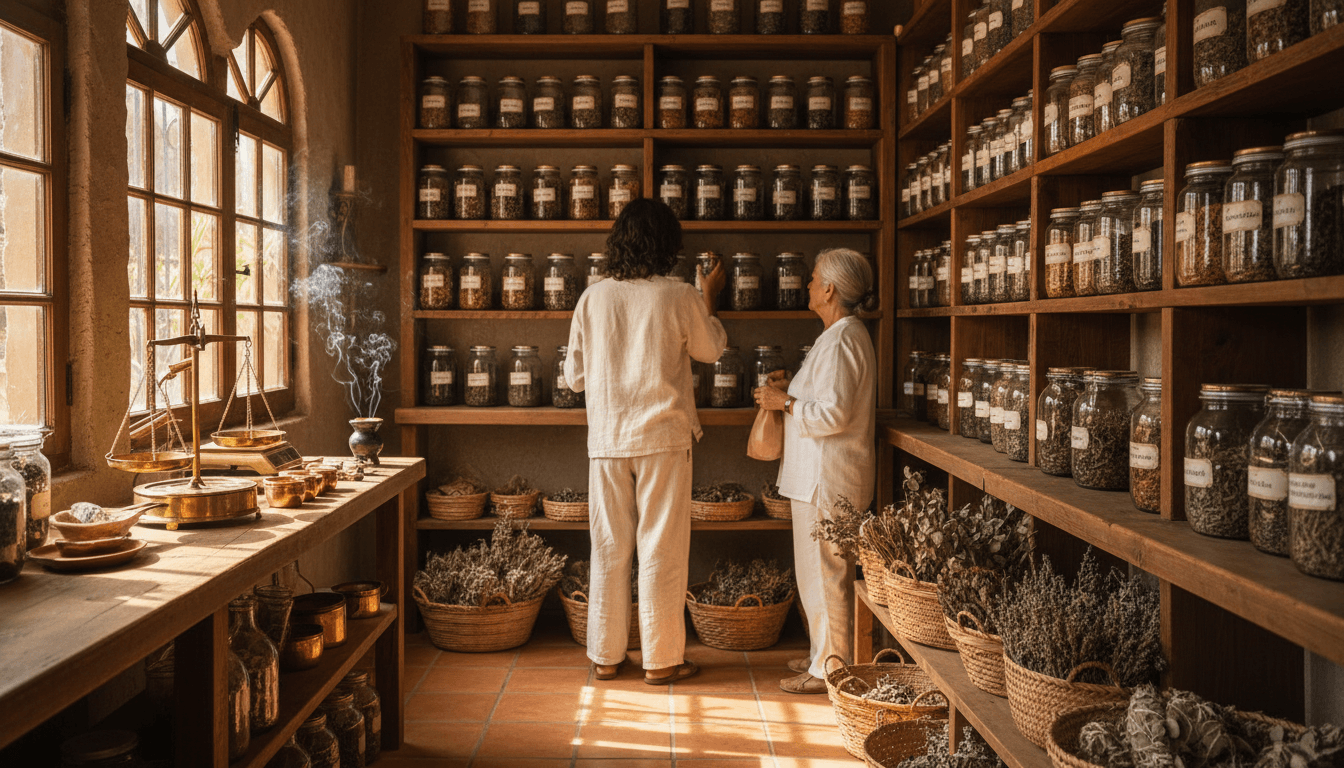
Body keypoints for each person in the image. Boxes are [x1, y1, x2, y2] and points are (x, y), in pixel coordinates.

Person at [564, 198, 727, 685]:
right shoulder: (678, 295)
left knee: (609, 548)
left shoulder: (593, 299)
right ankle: (661, 660)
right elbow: (711, 350)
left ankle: (606, 657)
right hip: (662, 436)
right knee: (662, 548)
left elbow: (574, 378)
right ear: (667, 246)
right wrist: (708, 297)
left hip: (609, 439)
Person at [753, 247, 878, 695]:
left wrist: (783, 402)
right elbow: (827, 397)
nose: (806, 285)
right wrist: (791, 389)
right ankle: (821, 654)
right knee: (817, 574)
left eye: (812, 279)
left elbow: (836, 413)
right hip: (820, 478)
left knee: (828, 576)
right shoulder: (836, 336)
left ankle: (831, 669)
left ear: (829, 289)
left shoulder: (843, 338)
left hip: (830, 478)